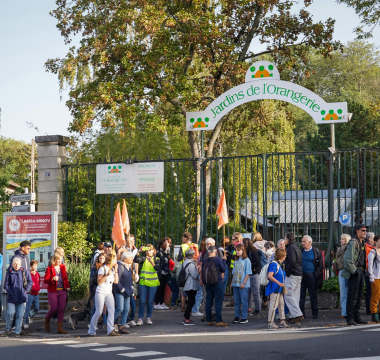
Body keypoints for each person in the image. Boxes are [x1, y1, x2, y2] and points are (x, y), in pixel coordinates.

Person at [342, 224, 369, 325]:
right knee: (352, 296)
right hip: (355, 272)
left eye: (365, 230)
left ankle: (357, 316)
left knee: (359, 295)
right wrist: (355, 271)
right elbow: (348, 260)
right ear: (357, 231)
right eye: (363, 230)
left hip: (361, 271)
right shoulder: (353, 243)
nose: (365, 232)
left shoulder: (362, 243)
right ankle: (350, 318)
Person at [88, 252, 119, 336]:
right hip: (101, 291)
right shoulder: (103, 269)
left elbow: (116, 281)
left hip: (108, 292)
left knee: (112, 310)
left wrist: (115, 271)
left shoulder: (112, 269)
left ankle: (110, 330)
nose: (116, 262)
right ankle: (91, 331)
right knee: (98, 312)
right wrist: (106, 275)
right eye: (115, 260)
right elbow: (99, 282)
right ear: (110, 261)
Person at [3, 257, 33, 336]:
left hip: (22, 296)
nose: (16, 265)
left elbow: (30, 281)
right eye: (15, 264)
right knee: (10, 313)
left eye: (18, 264)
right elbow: (5, 285)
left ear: (20, 264)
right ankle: (7, 329)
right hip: (12, 297)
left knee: (20, 315)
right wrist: (10, 292)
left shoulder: (24, 271)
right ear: (12, 264)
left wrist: (26, 290)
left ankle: (17, 331)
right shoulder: (9, 272)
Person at [200, 246, 228, 327]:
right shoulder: (217, 259)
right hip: (217, 282)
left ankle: (209, 320)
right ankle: (219, 320)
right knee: (218, 301)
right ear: (215, 252)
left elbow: (202, 270)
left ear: (208, 252)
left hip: (208, 283)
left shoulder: (205, 260)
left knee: (208, 301)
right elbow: (223, 269)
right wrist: (224, 260)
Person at [134, 244, 160, 326]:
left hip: (153, 283)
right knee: (141, 301)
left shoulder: (156, 259)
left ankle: (148, 317)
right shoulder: (143, 258)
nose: (148, 251)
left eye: (150, 250)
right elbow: (136, 260)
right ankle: (140, 318)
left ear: (153, 251)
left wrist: (152, 262)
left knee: (150, 301)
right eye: (147, 250)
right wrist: (138, 252)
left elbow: (158, 269)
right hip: (143, 282)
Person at [44, 253, 70, 334]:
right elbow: (45, 280)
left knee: (61, 309)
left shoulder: (62, 267)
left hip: (62, 290)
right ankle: (46, 321)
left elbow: (65, 278)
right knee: (53, 309)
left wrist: (67, 286)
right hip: (53, 291)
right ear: (54, 260)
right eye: (57, 260)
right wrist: (52, 279)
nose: (59, 261)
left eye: (60, 259)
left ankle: (60, 328)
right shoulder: (49, 268)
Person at [299, 235, 323, 319]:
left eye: (304, 241)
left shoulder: (316, 251)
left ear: (310, 242)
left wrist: (316, 274)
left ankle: (315, 313)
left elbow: (320, 264)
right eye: (302, 241)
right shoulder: (301, 251)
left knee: (312, 294)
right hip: (302, 275)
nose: (303, 243)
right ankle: (301, 313)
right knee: (301, 295)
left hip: (311, 275)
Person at [266, 248, 290, 330]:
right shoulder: (275, 264)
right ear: (282, 256)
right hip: (275, 287)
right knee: (274, 305)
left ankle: (282, 321)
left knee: (281, 304)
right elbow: (269, 275)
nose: (286, 256)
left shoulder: (278, 264)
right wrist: (279, 283)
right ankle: (270, 322)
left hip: (278, 288)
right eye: (285, 255)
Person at [283, 232, 304, 324]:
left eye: (284, 238)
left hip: (293, 274)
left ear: (287, 240)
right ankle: (293, 315)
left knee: (288, 295)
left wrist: (288, 273)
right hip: (298, 273)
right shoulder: (295, 247)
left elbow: (292, 261)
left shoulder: (290, 248)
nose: (284, 240)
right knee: (295, 296)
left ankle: (297, 314)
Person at [231, 244, 252, 324]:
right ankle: (237, 316)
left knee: (244, 300)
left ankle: (244, 317)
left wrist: (244, 282)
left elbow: (248, 273)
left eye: (238, 250)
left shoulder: (246, 260)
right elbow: (234, 272)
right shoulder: (236, 260)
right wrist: (232, 282)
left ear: (243, 251)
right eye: (236, 250)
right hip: (236, 283)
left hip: (243, 284)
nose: (237, 252)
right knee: (237, 301)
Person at [114, 251, 134, 334]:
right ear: (125, 259)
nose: (132, 260)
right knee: (120, 308)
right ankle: (110, 323)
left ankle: (122, 326)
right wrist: (122, 289)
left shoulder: (128, 267)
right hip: (120, 291)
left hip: (128, 291)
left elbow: (130, 280)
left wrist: (132, 288)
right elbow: (117, 280)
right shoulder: (119, 266)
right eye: (130, 258)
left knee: (126, 309)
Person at [182, 249, 200, 325]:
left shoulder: (185, 262)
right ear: (192, 255)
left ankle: (186, 317)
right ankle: (187, 319)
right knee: (191, 302)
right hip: (191, 285)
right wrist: (199, 270)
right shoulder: (191, 264)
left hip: (187, 284)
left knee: (190, 301)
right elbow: (194, 276)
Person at [245, 239, 261, 315]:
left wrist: (248, 265)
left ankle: (257, 309)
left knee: (255, 292)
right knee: (248, 292)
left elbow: (258, 262)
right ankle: (248, 308)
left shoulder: (253, 252)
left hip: (254, 273)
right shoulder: (250, 252)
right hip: (251, 273)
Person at [252, 232, 268, 310]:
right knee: (264, 284)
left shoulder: (254, 245)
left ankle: (259, 300)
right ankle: (265, 301)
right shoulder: (265, 242)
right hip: (265, 265)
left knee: (258, 283)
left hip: (258, 266)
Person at [336, 234, 350, 318]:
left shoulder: (348, 249)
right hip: (342, 270)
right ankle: (344, 312)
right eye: (340, 239)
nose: (340, 241)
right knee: (344, 292)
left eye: (342, 239)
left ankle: (345, 312)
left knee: (345, 292)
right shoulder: (339, 249)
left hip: (345, 271)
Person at [23, 260, 41, 329]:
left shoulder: (37, 274)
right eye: (33, 265)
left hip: (36, 293)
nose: (35, 267)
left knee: (37, 308)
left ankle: (30, 315)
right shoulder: (28, 274)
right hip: (30, 293)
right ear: (30, 266)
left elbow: (38, 283)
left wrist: (38, 288)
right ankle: (26, 323)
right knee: (27, 308)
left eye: (36, 265)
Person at [154, 238, 170, 310]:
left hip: (165, 272)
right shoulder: (158, 253)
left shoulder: (166, 252)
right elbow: (160, 262)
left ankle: (161, 302)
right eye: (165, 244)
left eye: (167, 243)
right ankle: (156, 302)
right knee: (159, 288)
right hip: (160, 272)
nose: (166, 245)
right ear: (161, 245)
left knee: (163, 288)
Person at [367, 235, 380, 323]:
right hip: (376, 277)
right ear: (376, 241)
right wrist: (371, 276)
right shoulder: (373, 252)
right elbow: (370, 265)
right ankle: (374, 313)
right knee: (375, 296)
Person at [364, 232, 375, 315]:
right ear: (369, 239)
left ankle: (372, 307)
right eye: (374, 238)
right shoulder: (366, 247)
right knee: (369, 290)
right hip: (368, 271)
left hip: (376, 271)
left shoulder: (374, 247)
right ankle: (368, 308)